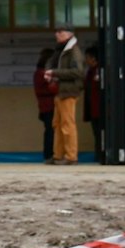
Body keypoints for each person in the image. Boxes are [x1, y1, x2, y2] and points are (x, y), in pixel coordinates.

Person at [50, 24, 85, 165]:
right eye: (56, 32)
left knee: (67, 124)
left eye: (60, 32)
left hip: (69, 92)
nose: (57, 34)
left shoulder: (73, 52)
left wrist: (55, 73)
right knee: (57, 124)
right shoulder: (64, 50)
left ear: (69, 34)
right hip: (61, 91)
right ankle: (58, 155)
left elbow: (78, 72)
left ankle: (71, 156)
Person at [32, 47, 58, 161]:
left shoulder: (38, 73)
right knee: (50, 131)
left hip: (44, 106)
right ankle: (49, 154)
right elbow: (53, 89)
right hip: (49, 105)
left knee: (49, 130)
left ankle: (49, 154)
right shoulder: (44, 74)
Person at [84, 44, 104, 162]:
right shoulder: (90, 72)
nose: (86, 60)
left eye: (87, 57)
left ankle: (101, 155)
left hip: (100, 109)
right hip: (93, 109)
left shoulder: (100, 71)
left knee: (100, 134)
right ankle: (98, 155)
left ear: (93, 58)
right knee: (96, 134)